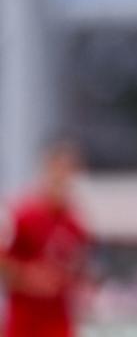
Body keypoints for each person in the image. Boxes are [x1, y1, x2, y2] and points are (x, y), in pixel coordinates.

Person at [0, 140, 90, 337]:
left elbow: (78, 268)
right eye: (57, 169)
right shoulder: (22, 214)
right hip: (24, 324)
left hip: (58, 324)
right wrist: (28, 277)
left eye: (68, 171)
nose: (62, 177)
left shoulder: (75, 222)